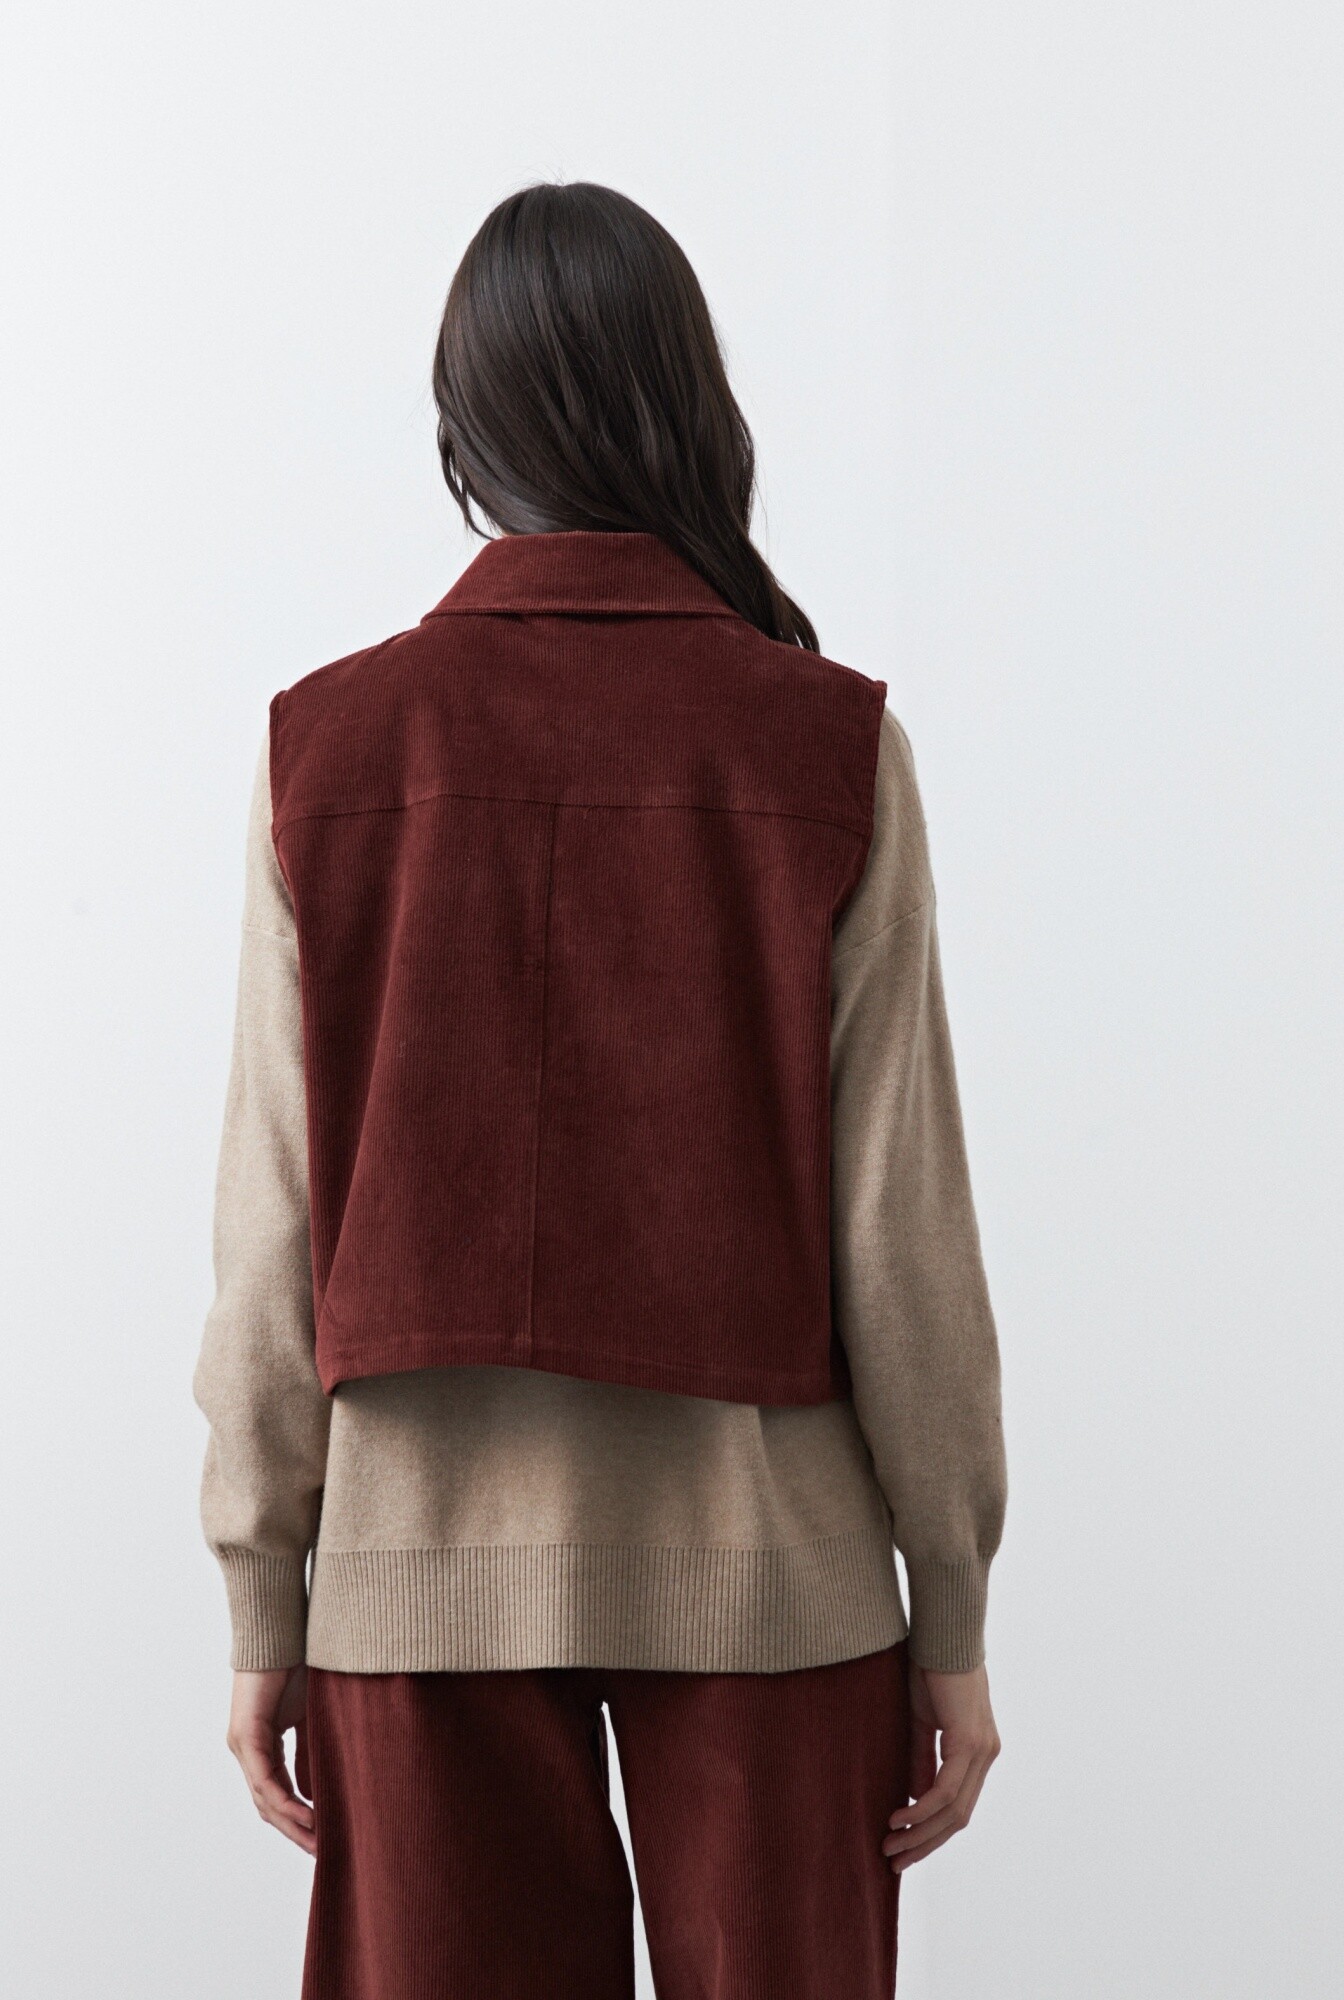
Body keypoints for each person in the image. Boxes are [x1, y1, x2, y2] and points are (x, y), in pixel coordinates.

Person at [195, 179, 1007, 2000]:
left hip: (413, 1569)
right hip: (774, 1574)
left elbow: (274, 1223)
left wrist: (263, 1594)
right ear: (689, 407)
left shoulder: (325, 751)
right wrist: (950, 1612)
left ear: (465, 431)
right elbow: (903, 1234)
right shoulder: (826, 743)